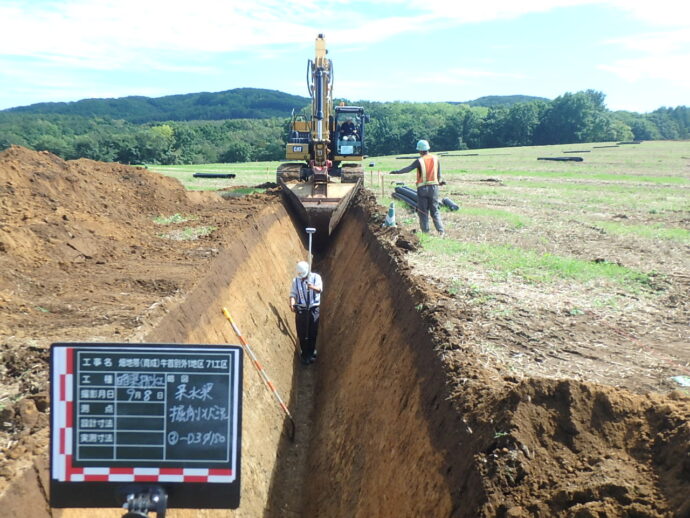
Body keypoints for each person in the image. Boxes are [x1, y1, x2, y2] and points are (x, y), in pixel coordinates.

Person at [390, 139, 445, 236]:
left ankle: (425, 232)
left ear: (420, 150)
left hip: (422, 189)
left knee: (423, 211)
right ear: (428, 148)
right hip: (434, 188)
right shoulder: (436, 159)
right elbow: (439, 174)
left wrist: (396, 171)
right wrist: (439, 182)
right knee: (435, 210)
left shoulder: (419, 160)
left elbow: (408, 169)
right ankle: (441, 231)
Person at [289, 261, 323, 365]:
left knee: (313, 331)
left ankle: (312, 351)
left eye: (304, 276)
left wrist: (311, 287)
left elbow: (319, 289)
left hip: (313, 308)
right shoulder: (296, 281)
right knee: (302, 332)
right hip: (302, 310)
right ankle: (304, 352)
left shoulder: (315, 277)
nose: (302, 278)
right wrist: (292, 304)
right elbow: (293, 294)